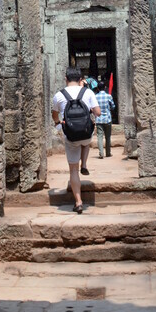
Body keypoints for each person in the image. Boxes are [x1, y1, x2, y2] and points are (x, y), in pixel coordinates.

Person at [52, 67, 101, 214]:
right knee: (86, 141)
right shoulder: (88, 92)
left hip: (70, 135)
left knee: (73, 170)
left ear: (65, 79)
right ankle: (84, 163)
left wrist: (58, 123)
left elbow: (55, 116)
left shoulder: (58, 95)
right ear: (81, 79)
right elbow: (98, 112)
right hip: (86, 134)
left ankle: (78, 202)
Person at [95, 78, 116, 158]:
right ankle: (108, 152)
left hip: (99, 119)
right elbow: (113, 106)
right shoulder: (108, 96)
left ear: (98, 88)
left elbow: (93, 107)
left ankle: (101, 153)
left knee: (99, 136)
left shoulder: (95, 96)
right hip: (107, 118)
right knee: (108, 136)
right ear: (105, 87)